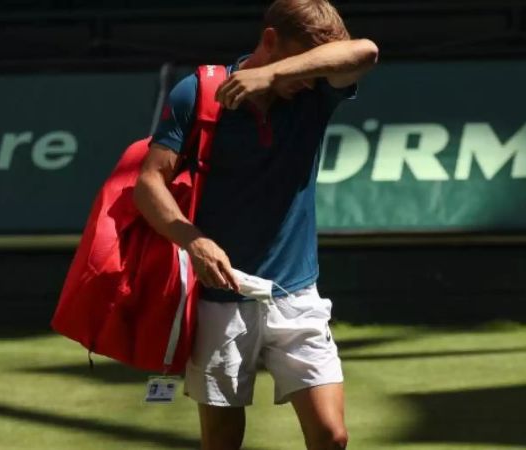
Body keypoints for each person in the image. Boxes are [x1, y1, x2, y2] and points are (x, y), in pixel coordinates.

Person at [133, 1, 378, 449]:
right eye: (300, 62)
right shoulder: (198, 92)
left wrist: (275, 75)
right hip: (217, 299)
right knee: (223, 441)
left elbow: (365, 52)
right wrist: (194, 241)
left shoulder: (313, 94)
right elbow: (149, 184)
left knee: (332, 435)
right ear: (269, 40)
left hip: (296, 294)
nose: (310, 77)